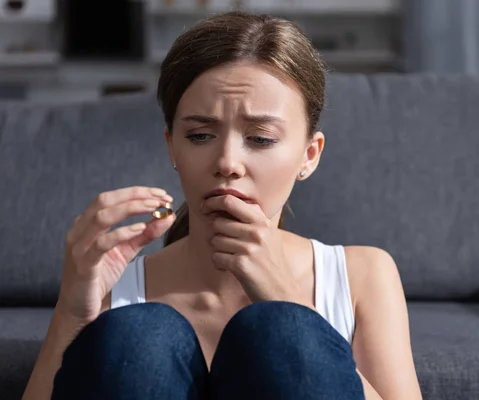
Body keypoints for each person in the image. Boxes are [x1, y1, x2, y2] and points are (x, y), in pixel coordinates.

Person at [22, 10, 422, 400]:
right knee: (140, 337)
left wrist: (287, 301)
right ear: (171, 147)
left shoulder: (363, 275)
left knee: (286, 331)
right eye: (199, 135)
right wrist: (71, 313)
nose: (228, 163)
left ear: (309, 155)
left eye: (261, 139)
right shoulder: (115, 290)